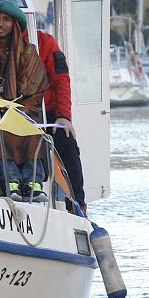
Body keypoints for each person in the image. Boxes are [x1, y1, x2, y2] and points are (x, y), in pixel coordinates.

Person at [0, 0, 50, 202]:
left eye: (6, 19)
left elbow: (36, 90)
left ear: (14, 23)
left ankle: (34, 182)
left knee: (33, 129)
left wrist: (16, 109)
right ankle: (11, 183)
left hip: (23, 109)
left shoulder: (28, 51)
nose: (0, 23)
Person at [35, 29, 86, 212]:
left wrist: (63, 115)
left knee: (68, 144)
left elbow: (61, 80)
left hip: (46, 112)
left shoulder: (45, 42)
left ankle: (78, 205)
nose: (2, 23)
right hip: (13, 112)